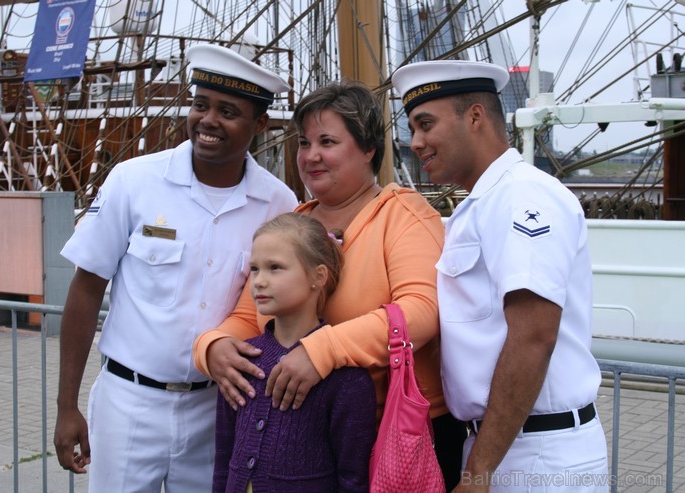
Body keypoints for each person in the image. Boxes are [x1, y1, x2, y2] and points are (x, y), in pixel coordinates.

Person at [195, 79, 468, 490]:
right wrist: (213, 346)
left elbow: (422, 311)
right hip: (305, 437)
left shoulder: (403, 215)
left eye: (327, 141)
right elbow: (252, 312)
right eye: (304, 143)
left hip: (395, 436)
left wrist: (323, 351)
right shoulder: (297, 223)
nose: (311, 156)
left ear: (368, 148)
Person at [52, 43, 298, 493]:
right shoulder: (134, 181)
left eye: (228, 111)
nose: (207, 120)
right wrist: (66, 405)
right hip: (129, 402)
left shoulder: (278, 204)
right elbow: (86, 289)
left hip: (217, 407)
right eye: (200, 104)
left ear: (260, 123)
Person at [392, 60, 608, 492]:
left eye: (426, 124)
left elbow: (533, 335)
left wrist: (479, 472)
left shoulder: (521, 197)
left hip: (536, 455)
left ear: (474, 116)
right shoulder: (483, 204)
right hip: (505, 445)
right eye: (412, 127)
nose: (415, 142)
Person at [213, 212, 376, 492]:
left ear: (318, 276)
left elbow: (353, 477)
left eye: (275, 267)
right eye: (254, 269)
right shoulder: (241, 361)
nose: (259, 281)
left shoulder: (347, 378)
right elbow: (223, 457)